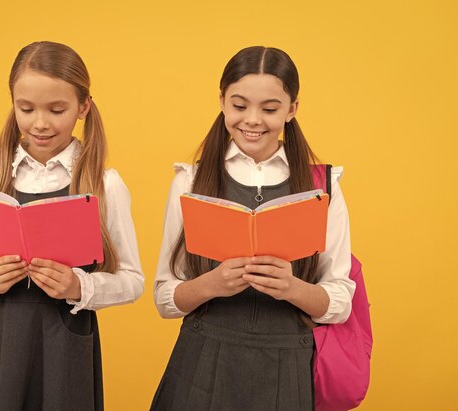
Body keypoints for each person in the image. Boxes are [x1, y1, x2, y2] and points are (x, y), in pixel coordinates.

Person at [0, 41, 144, 411]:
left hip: (62, 346)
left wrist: (80, 285)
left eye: (57, 109)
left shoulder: (103, 183)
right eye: (25, 108)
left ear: (83, 107)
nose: (40, 123)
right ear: (12, 103)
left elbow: (132, 280)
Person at [151, 46, 355, 410]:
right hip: (203, 358)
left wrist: (291, 287)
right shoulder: (192, 180)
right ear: (222, 101)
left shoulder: (322, 184)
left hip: (286, 363)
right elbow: (166, 298)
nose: (253, 120)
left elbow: (339, 300)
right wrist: (213, 284)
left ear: (292, 109)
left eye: (270, 108)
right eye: (239, 105)